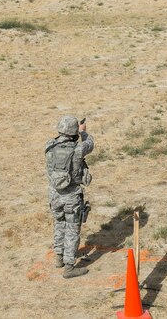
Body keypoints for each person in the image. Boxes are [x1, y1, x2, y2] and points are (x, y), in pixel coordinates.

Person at [45, 115, 94, 279]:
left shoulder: (49, 146)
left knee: (59, 224)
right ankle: (69, 267)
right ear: (73, 132)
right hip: (72, 196)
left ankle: (59, 256)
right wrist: (83, 133)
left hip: (54, 195)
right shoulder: (78, 149)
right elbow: (90, 143)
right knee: (72, 229)